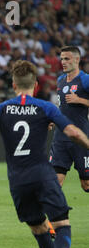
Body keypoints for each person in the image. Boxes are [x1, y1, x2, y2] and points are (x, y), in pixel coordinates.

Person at [0, 60, 89, 248]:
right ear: (35, 85)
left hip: (18, 180)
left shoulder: (1, 109)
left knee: (39, 229)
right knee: (62, 225)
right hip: (43, 175)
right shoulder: (45, 107)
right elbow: (73, 132)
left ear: (14, 85)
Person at [50, 46, 89, 193]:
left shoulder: (85, 80)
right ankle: (53, 216)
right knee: (54, 183)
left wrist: (80, 100)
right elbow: (62, 107)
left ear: (77, 59)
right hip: (60, 138)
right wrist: (53, 119)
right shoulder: (60, 80)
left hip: (81, 138)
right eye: (61, 59)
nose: (63, 62)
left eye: (67, 59)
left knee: (86, 184)